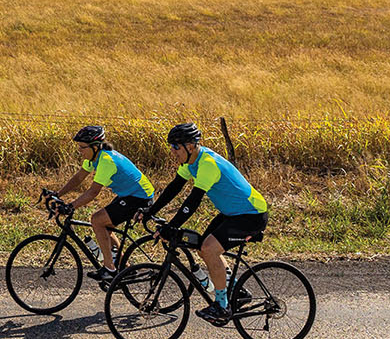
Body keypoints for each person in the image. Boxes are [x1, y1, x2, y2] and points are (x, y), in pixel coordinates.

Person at [140, 121, 268, 326]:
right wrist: (150, 211)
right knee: (202, 247)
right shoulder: (191, 162)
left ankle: (222, 306)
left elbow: (193, 201)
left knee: (209, 249)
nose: (172, 152)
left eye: (175, 147)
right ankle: (238, 291)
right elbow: (174, 188)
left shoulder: (207, 163)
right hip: (232, 213)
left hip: (250, 214)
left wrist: (171, 226)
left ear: (190, 146)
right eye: (171, 146)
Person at [44, 124, 155, 285]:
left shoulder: (106, 161)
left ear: (95, 147)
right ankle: (124, 267)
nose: (79, 151)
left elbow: (93, 192)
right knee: (105, 226)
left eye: (82, 147)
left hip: (139, 197)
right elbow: (78, 178)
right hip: (129, 194)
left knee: (97, 220)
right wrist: (57, 194)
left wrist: (70, 206)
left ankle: (110, 268)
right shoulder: (94, 157)